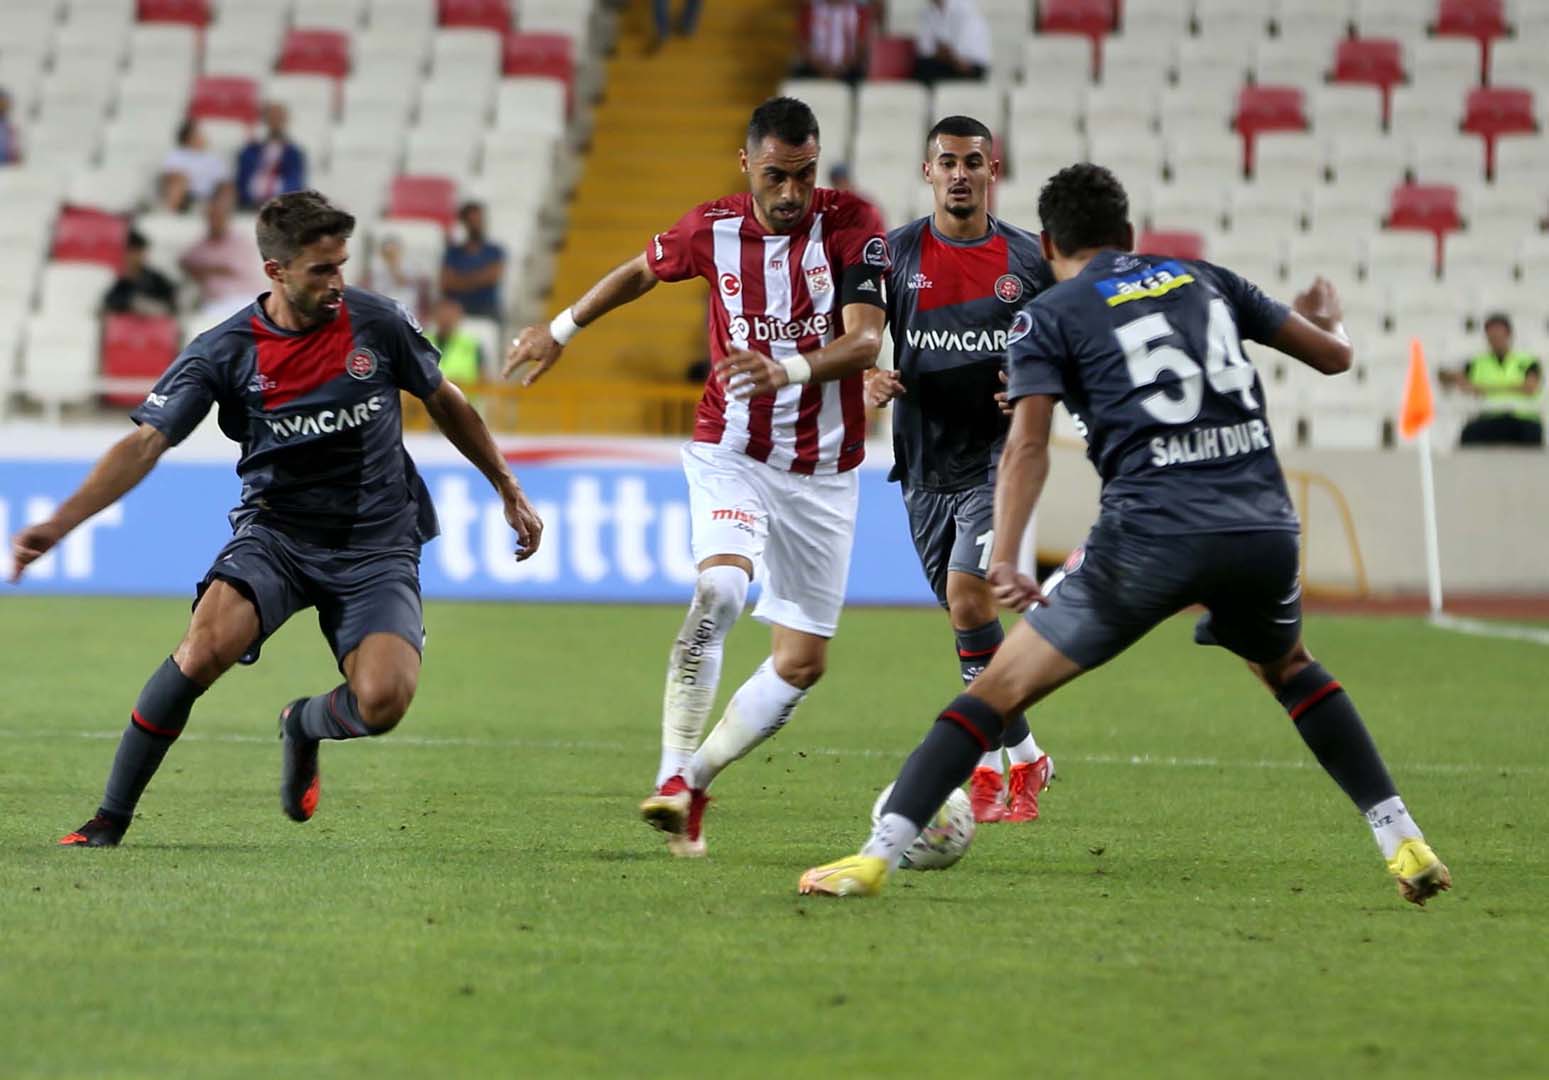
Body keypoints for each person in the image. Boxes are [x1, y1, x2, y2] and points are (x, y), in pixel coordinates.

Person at [800, 163, 1452, 908]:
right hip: (1261, 525)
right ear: (1129, 234)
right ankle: (1401, 839)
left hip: (1151, 534)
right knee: (1291, 670)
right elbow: (1333, 355)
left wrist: (1008, 552)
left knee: (995, 687)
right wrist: (1324, 313)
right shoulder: (1203, 278)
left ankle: (876, 857)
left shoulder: (1051, 313)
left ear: (1046, 244)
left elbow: (1027, 446)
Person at [11, 189, 543, 848]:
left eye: (342, 264)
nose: (337, 282)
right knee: (201, 649)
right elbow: (146, 442)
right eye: (321, 270)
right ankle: (108, 820)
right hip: (278, 537)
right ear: (276, 271)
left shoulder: (376, 323)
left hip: (376, 541)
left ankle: (302, 724)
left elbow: (444, 398)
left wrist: (505, 483)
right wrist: (58, 524)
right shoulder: (225, 350)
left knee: (382, 703)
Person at [504, 97, 887, 858]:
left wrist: (784, 369)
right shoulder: (710, 227)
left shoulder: (851, 222)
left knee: (801, 663)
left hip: (824, 470)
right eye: (775, 175)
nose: (789, 193)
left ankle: (698, 779)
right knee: (719, 590)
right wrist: (560, 329)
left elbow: (865, 340)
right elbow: (641, 271)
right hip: (731, 451)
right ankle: (671, 772)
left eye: (803, 175)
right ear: (745, 164)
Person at [866, 115, 1056, 824]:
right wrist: (863, 379)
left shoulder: (1029, 260)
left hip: (996, 460)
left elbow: (1069, 341)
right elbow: (852, 332)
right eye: (946, 161)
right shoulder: (893, 255)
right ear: (927, 173)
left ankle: (983, 761)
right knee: (964, 621)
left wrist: (1039, 382)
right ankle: (1024, 754)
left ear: (991, 171)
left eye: (971, 162)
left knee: (970, 600)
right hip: (920, 465)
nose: (958, 173)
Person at [1439, 313, 1543, 446]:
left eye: (1499, 335)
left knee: (1532, 434)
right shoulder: (1477, 362)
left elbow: (1530, 388)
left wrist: (1483, 387)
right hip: (1490, 417)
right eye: (1492, 336)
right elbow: (1452, 378)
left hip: (1523, 418)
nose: (1496, 339)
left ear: (1509, 335)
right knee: (1468, 434)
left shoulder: (1528, 361)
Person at [180, 182, 270, 326]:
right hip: (215, 303)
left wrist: (204, 269)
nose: (215, 222)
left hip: (244, 299)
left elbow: (230, 268)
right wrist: (208, 269)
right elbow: (184, 262)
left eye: (218, 217)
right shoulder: (202, 244)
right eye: (212, 218)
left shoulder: (240, 241)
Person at [440, 202, 506, 321]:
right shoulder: (453, 252)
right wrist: (479, 278)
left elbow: (493, 276)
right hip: (458, 311)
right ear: (464, 223)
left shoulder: (495, 251)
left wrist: (460, 281)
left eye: (479, 220)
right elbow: (446, 282)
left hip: (486, 310)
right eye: (473, 221)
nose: (477, 225)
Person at [235, 103, 307, 211]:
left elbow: (295, 182)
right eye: (272, 117)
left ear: (285, 120)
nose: (275, 121)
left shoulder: (294, 153)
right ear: (265, 119)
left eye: (278, 117)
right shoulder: (250, 150)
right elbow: (242, 178)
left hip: (281, 208)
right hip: (249, 204)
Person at [103, 229, 179, 317]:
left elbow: (172, 299)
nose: (137, 256)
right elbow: (109, 304)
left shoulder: (156, 279)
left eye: (140, 252)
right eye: (133, 252)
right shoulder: (119, 280)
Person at [792, 0, 873, 83]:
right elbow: (802, 43)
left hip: (848, 71)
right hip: (813, 68)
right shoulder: (810, 9)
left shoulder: (858, 10)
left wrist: (843, 67)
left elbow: (862, 45)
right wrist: (820, 66)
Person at [914, 0, 992, 84]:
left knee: (925, 70)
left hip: (972, 65)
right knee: (922, 66)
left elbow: (960, 56)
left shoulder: (963, 7)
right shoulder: (927, 12)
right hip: (949, 63)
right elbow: (926, 49)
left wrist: (945, 52)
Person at [162, 118, 230, 202]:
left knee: (227, 189)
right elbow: (170, 177)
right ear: (188, 138)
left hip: (212, 196)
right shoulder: (176, 155)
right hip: (186, 195)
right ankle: (171, 213)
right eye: (198, 134)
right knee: (176, 183)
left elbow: (223, 180)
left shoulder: (214, 158)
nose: (202, 136)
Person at [426, 296, 485, 389]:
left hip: (465, 399)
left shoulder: (472, 345)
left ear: (459, 317)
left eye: (450, 315)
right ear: (434, 316)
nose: (446, 319)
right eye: (442, 315)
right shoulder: (421, 342)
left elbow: (484, 380)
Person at [368, 233, 429, 315]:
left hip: (406, 307)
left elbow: (403, 281)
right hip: (384, 308)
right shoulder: (378, 266)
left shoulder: (409, 265)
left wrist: (393, 264)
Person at [0, 86, 20, 165]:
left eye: (3, 104)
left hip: (6, 160)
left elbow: (13, 143)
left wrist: (14, 154)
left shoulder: (8, 125)